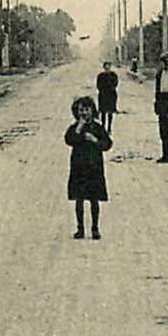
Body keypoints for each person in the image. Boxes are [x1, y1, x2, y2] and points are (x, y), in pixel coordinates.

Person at [65, 95, 113, 239]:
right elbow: (69, 140)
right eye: (80, 110)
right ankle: (80, 228)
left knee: (94, 199)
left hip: (94, 168)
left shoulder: (97, 127)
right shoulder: (75, 127)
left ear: (92, 110)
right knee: (79, 200)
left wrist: (96, 140)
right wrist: (79, 128)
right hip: (79, 168)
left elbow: (108, 144)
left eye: (86, 110)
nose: (84, 113)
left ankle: (95, 228)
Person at [95, 61, 120, 133]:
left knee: (110, 112)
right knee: (103, 112)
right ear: (104, 67)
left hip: (111, 95)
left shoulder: (113, 75)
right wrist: (103, 89)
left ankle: (109, 127)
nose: (107, 68)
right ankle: (103, 127)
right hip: (103, 95)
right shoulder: (100, 76)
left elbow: (116, 83)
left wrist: (111, 88)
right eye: (106, 66)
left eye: (109, 66)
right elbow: (98, 85)